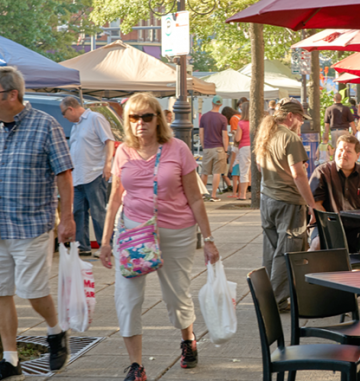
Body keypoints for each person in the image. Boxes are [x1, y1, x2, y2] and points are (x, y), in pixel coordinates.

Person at [98, 92, 219, 381]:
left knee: (176, 297)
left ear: (158, 118)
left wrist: (209, 238)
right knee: (127, 299)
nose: (140, 123)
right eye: (134, 117)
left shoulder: (177, 149)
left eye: (146, 116)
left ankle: (187, 339)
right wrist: (105, 241)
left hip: (175, 232)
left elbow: (195, 197)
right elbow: (115, 198)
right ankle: (136, 366)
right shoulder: (122, 152)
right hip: (132, 234)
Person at [0, 67, 74, 379]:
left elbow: (64, 174)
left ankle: (55, 332)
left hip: (31, 225)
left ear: (11, 95)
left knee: (32, 291)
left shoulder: (46, 125)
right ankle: (10, 358)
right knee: (1, 292)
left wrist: (67, 218)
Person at [255, 98, 316, 312]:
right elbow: (298, 174)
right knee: (287, 251)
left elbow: (260, 167)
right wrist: (311, 205)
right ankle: (278, 300)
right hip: (288, 201)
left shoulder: (266, 134)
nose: (301, 122)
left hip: (267, 199)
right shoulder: (290, 138)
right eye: (300, 117)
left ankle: (267, 297)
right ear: (290, 116)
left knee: (271, 250)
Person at [60, 97, 116, 256]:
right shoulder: (76, 126)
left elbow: (109, 140)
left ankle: (106, 244)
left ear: (71, 109)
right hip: (78, 175)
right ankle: (82, 245)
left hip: (94, 172)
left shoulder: (95, 118)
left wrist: (107, 164)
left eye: (64, 113)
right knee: (78, 211)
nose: (64, 117)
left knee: (98, 211)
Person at [199, 95, 230, 202]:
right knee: (217, 172)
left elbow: (201, 134)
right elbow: (224, 136)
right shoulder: (223, 118)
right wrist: (226, 150)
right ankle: (213, 195)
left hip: (207, 147)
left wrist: (204, 146)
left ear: (212, 103)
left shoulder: (204, 117)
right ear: (220, 105)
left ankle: (202, 194)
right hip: (219, 148)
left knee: (205, 172)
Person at [234, 102, 251, 200]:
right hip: (254, 147)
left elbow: (238, 138)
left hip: (244, 148)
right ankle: (254, 194)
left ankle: (243, 194)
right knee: (253, 172)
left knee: (244, 171)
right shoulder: (255, 122)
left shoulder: (241, 123)